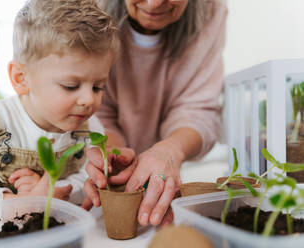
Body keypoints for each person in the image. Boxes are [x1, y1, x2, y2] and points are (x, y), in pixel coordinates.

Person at [0, 0, 119, 209]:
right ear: (21, 78)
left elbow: (87, 178)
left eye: (98, 87)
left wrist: (52, 191)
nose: (88, 100)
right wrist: (16, 203)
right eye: (70, 86)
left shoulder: (89, 130)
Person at [82, 0, 227, 227]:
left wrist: (170, 150)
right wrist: (111, 152)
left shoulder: (211, 10)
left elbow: (198, 111)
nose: (154, 3)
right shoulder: (86, 7)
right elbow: (96, 109)